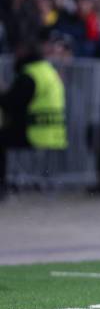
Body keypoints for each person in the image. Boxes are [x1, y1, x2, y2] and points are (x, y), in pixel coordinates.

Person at [0, 44, 67, 199]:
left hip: (36, 133)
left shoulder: (30, 75)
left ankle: (1, 187)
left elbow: (12, 103)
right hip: (55, 133)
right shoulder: (48, 71)